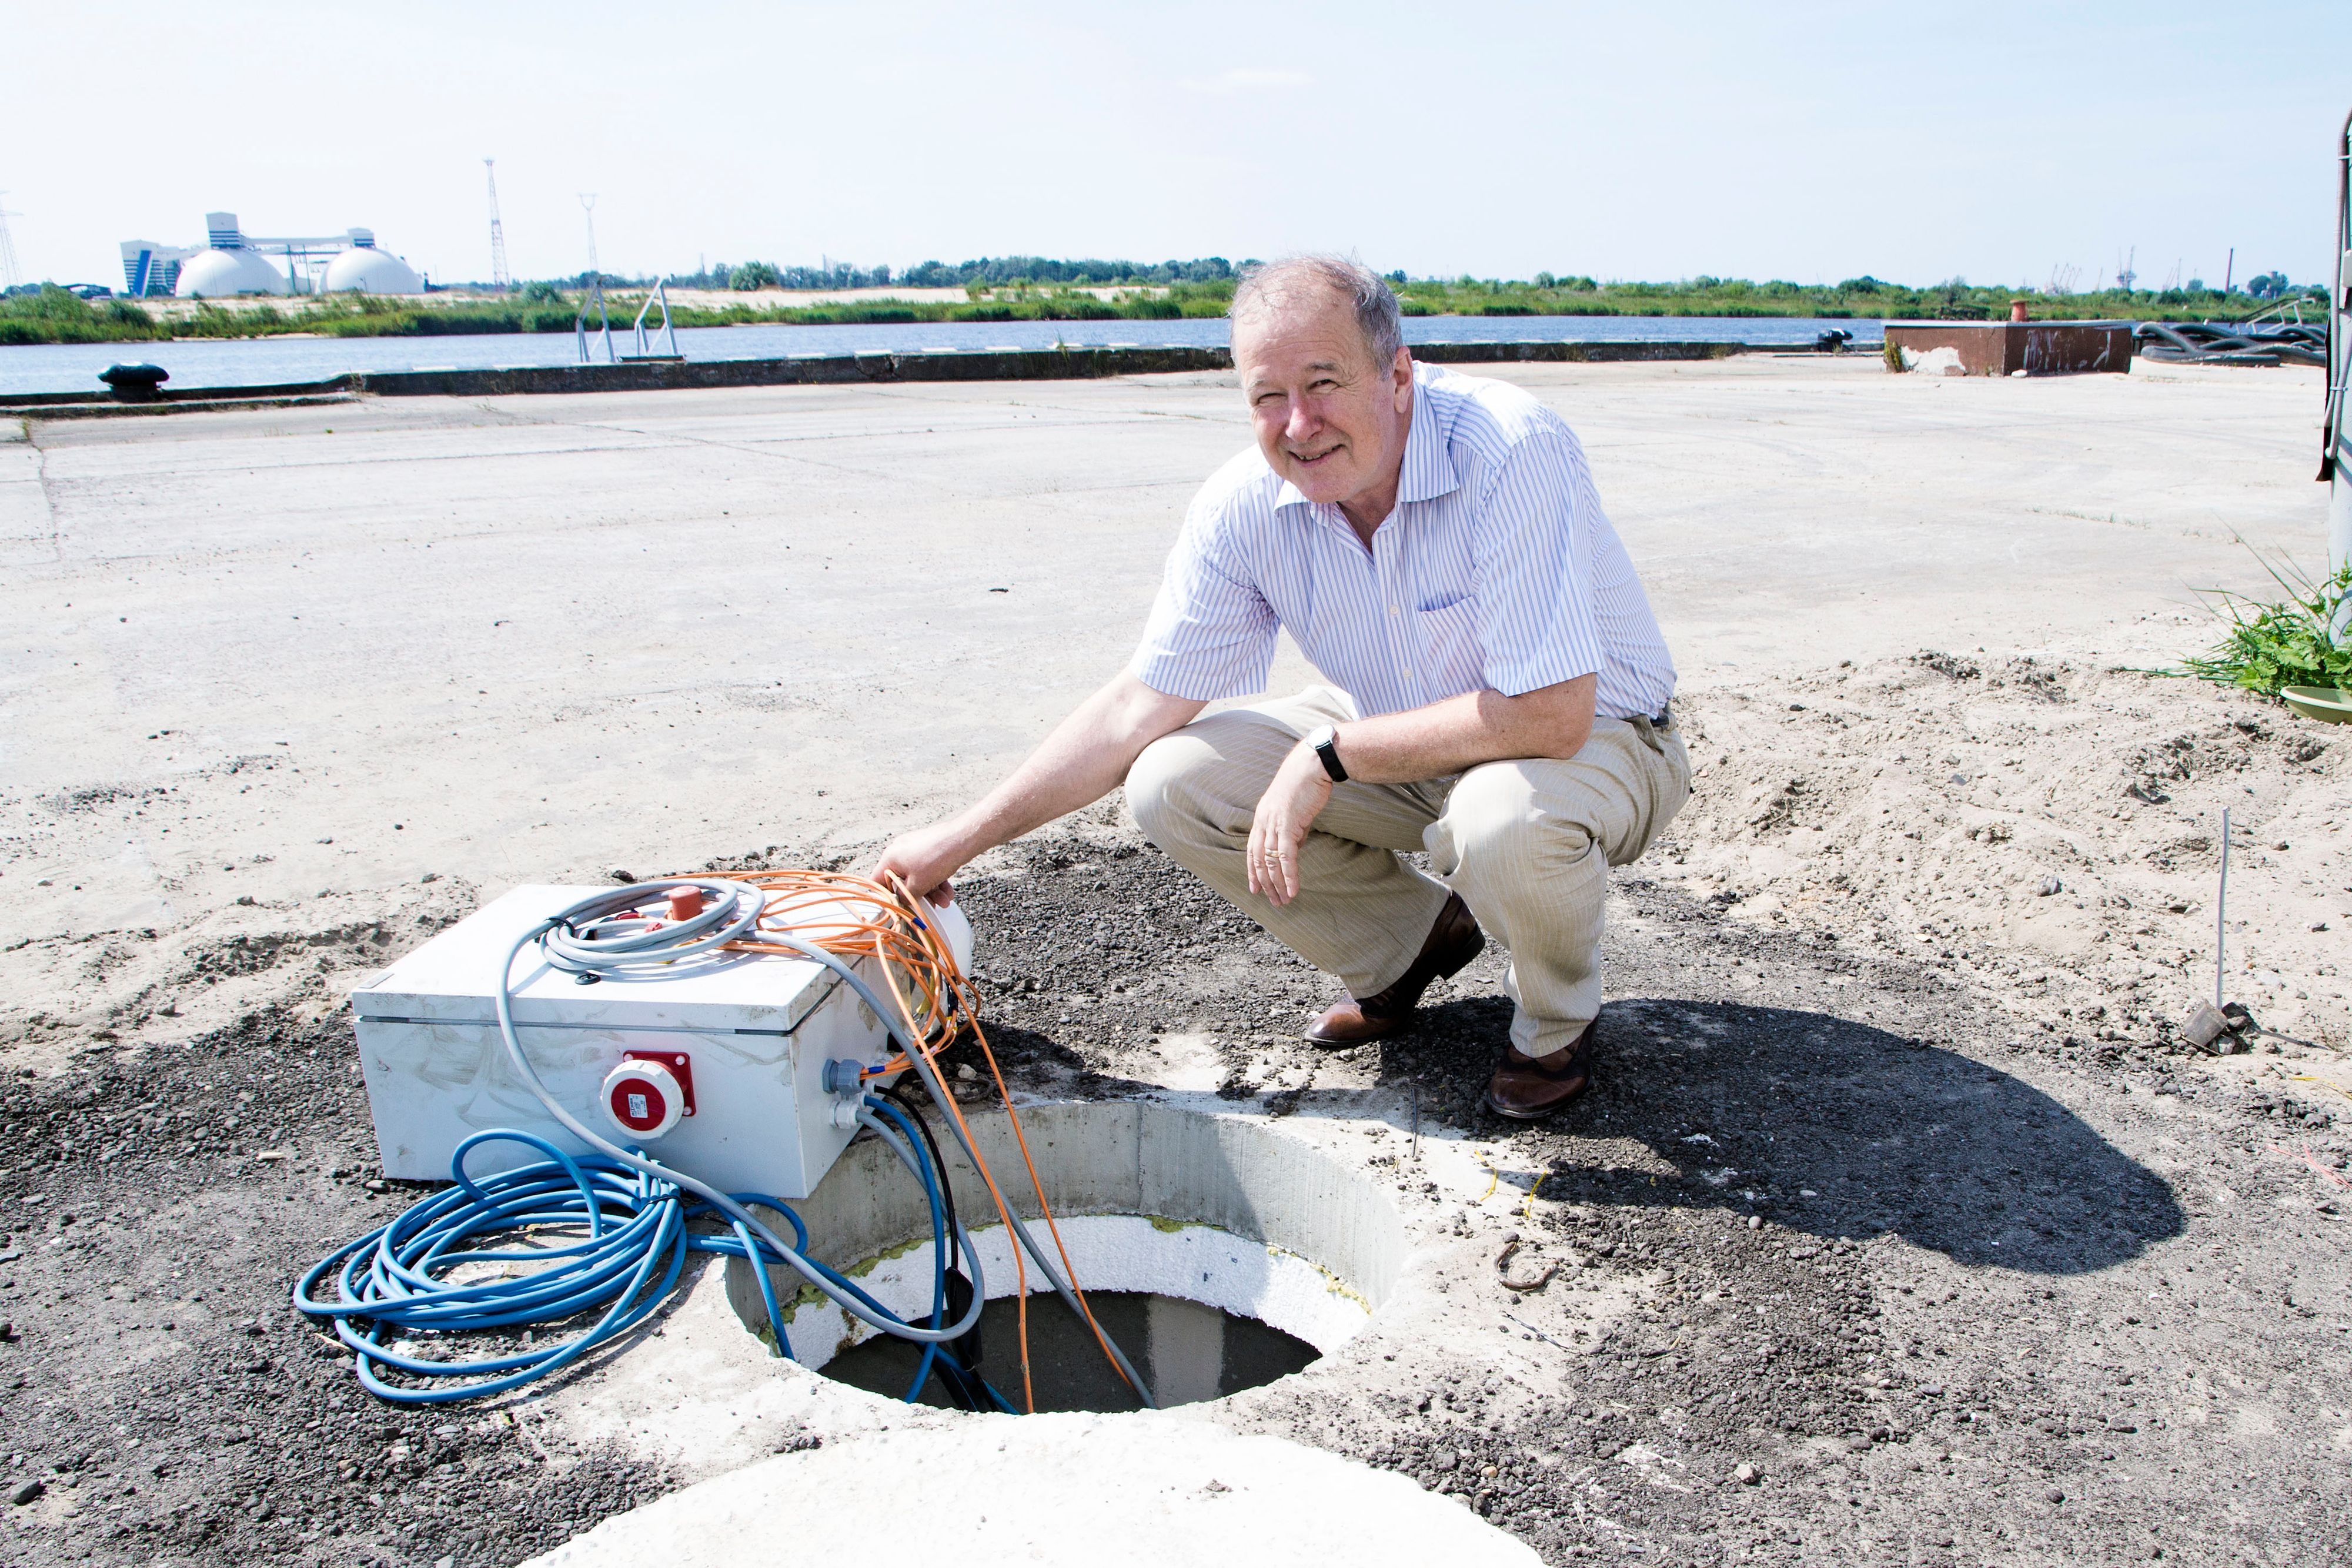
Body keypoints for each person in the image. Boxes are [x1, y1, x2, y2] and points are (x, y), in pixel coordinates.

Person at [878, 255, 1688, 1119]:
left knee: (1501, 822)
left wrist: (1330, 754)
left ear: (1399, 375)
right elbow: (1134, 708)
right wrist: (955, 844)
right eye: (1268, 397)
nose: (1298, 425)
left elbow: (1550, 712)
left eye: (1325, 383)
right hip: (1404, 728)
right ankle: (1407, 947)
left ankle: (1555, 1025)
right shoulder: (1243, 505)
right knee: (1171, 779)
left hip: (1600, 736)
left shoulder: (1511, 448)